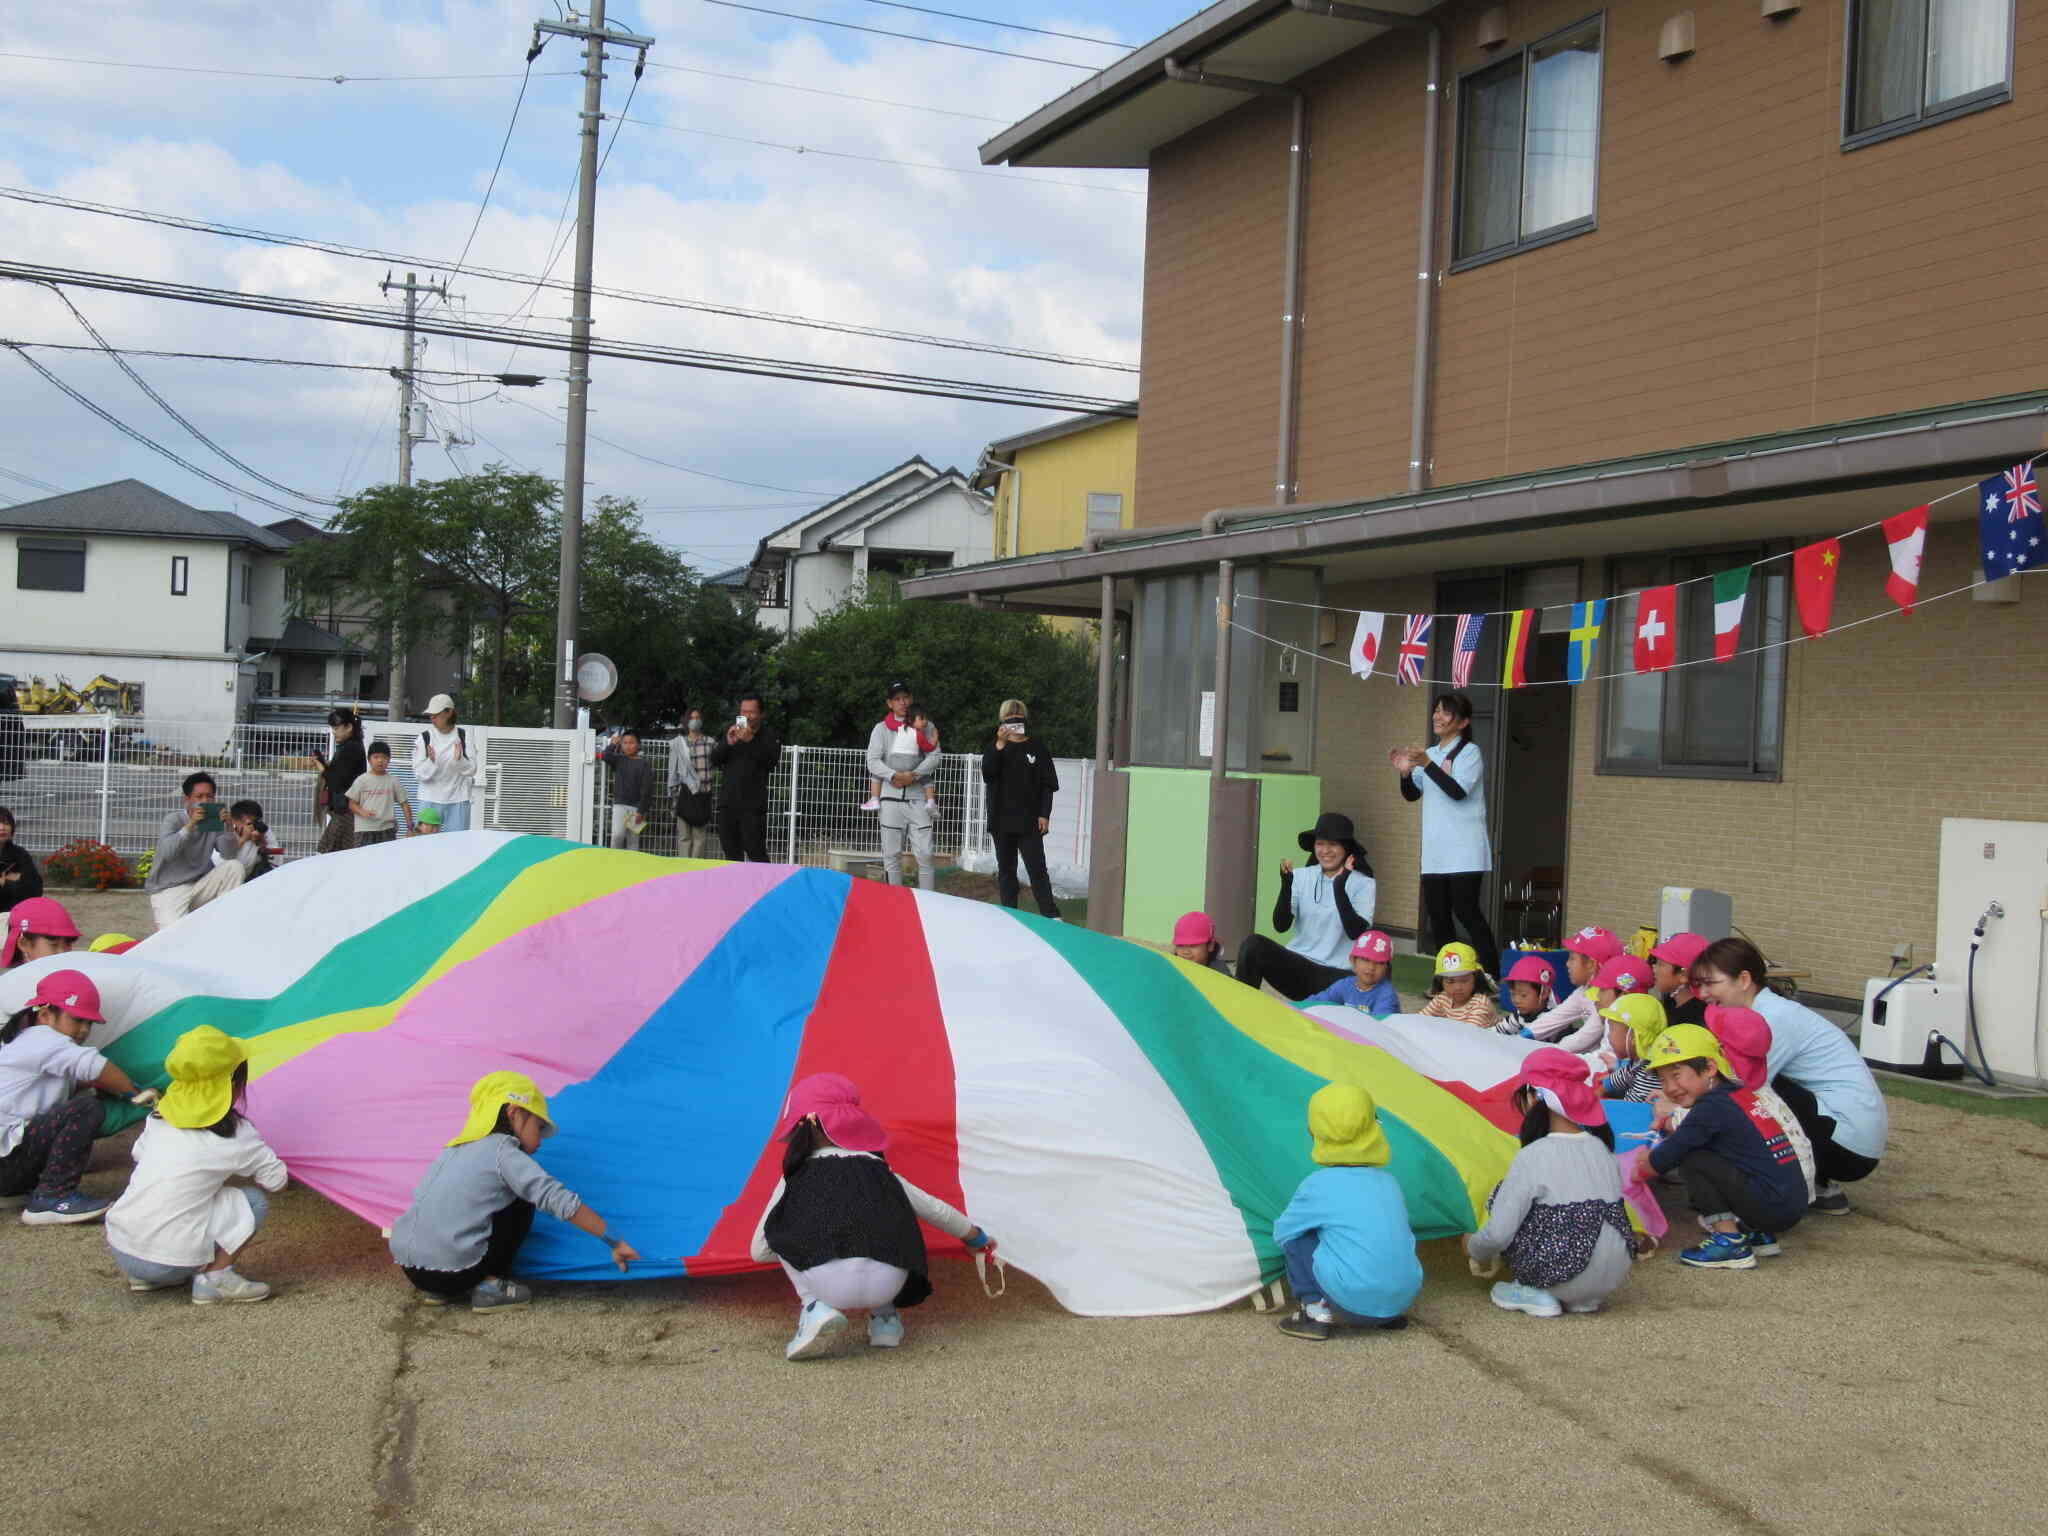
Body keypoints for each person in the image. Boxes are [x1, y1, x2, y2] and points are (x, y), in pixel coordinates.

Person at [751, 1073, 994, 1360]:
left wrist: (811, 1244)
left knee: (781, 1228)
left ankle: (814, 1306)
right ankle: (885, 1319)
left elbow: (760, 1250)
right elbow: (935, 1210)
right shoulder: (879, 1170)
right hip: (888, 1285)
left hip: (830, 1289)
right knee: (881, 1223)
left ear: (808, 1124)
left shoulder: (795, 1177)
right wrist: (976, 1238)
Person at [389, 1071, 639, 1311]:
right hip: (458, 1274)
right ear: (515, 1113)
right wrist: (615, 1241)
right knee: (523, 1198)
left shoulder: (451, 1151)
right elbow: (559, 1200)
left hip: (412, 1269)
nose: (541, 1138)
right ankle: (490, 1284)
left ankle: (440, 1292)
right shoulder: (503, 1153)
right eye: (539, 1126)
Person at [1691, 935, 1886, 1215]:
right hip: (1852, 1137)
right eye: (1699, 985)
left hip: (1848, 1148)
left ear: (1744, 980)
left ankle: (1770, 1193)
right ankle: (1820, 1187)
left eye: (1711, 983)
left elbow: (1740, 1090)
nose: (1704, 994)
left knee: (1744, 1092)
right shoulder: (1766, 1012)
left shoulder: (1770, 1019)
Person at [104, 1027, 288, 1304]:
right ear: (234, 1083)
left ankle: (148, 1277)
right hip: (165, 1262)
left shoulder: (159, 1117)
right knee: (252, 1201)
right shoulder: (237, 1134)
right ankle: (216, 1279)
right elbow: (276, 1180)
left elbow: (139, 1153)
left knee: (185, 1195)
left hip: (121, 1247)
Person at [1465, 1047, 1642, 1318]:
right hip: (1611, 1276)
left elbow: (1500, 1233)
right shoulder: (1602, 1150)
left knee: (1503, 1195)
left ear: (1535, 1096)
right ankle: (1581, 1299)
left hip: (1558, 1269)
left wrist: (1475, 1248)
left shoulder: (1533, 1155)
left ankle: (1535, 1290)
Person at [1632, 1023, 1809, 1270]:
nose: (1670, 1088)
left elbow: (1662, 1160)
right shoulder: (1738, 1093)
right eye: (1662, 1080)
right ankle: (1755, 1233)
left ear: (1710, 1068)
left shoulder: (1711, 1108)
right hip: (1790, 1200)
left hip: (1772, 1206)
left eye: (1677, 1075)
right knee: (1718, 1154)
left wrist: (1641, 1165)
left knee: (1692, 1157)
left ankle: (1730, 1241)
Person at [1272, 1082, 1422, 1340]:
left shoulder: (1317, 1186)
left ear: (1313, 1131)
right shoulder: (1389, 1182)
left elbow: (1282, 1233)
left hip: (1353, 1306)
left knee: (1298, 1237)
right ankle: (1386, 1314)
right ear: (1374, 1127)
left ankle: (1315, 1313)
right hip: (1402, 1300)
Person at [0, 971, 150, 1225]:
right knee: (85, 1108)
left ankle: (28, 1191)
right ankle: (51, 1196)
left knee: (86, 1102)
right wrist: (139, 1094)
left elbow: (83, 1078)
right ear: (46, 1014)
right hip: (6, 1163)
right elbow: (94, 1067)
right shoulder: (42, 1038)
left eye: (88, 1023)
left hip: (9, 1164)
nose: (83, 1030)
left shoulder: (32, 1043)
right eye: (77, 1020)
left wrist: (108, 1087)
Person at [1390, 691, 1500, 980]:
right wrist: (1404, 773)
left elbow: (1458, 791)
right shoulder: (1432, 753)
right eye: (1436, 710)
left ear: (1462, 722)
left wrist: (1426, 764)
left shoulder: (1470, 752)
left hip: (1465, 851)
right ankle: (1447, 979)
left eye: (1445, 712)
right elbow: (1412, 794)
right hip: (1435, 851)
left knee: (1467, 913)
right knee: (1438, 917)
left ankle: (1492, 975)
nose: (1437, 716)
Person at [1234, 812, 1374, 1000]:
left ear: (1346, 848)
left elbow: (1355, 932)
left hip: (1338, 975)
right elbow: (1280, 926)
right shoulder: (1301, 876)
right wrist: (1286, 886)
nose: (1325, 851)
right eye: (1320, 843)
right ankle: (1240, 1012)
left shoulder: (1364, 884)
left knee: (1368, 978)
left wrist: (1339, 886)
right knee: (1253, 945)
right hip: (1300, 968)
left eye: (1333, 844)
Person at [1701, 1004, 1817, 1204]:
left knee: (1699, 1155)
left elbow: (1687, 1129)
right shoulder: (1763, 1090)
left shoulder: (1728, 1096)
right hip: (1799, 1190)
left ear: (1721, 1050)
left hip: (1770, 1198)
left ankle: (1726, 1220)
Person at [144, 772, 260, 930]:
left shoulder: (214, 822)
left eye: (210, 796)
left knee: (234, 866)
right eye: (199, 797)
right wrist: (191, 825)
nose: (205, 801)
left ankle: (222, 923)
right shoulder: (174, 820)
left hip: (200, 883)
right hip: (169, 888)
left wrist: (227, 828)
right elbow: (168, 853)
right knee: (171, 938)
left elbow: (229, 854)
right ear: (187, 800)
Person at [981, 698, 1060, 919]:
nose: (1014, 724)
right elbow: (988, 773)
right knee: (1006, 871)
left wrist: (1045, 813)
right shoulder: (995, 748)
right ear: (1002, 722)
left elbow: (1048, 784)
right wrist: (999, 745)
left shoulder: (1037, 748)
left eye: (1018, 719)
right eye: (1009, 720)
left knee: (1037, 869)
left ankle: (1051, 914)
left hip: (1029, 820)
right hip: (1001, 819)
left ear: (1024, 720)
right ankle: (1009, 915)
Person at [865, 682, 941, 892]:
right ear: (889, 703)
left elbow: (935, 756)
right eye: (897, 699)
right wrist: (893, 775)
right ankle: (894, 903)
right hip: (890, 798)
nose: (902, 702)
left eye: (905, 697)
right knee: (891, 855)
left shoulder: (926, 725)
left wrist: (914, 775)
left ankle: (929, 902)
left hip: (918, 797)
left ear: (911, 698)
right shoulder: (880, 729)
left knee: (925, 853)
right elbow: (872, 760)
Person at [709, 693, 780, 863]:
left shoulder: (769, 736)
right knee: (731, 855)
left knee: (756, 853)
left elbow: (771, 762)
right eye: (743, 711)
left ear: (761, 714)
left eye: (751, 712)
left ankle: (765, 888)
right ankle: (737, 889)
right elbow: (715, 759)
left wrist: (751, 740)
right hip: (728, 804)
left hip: (753, 807)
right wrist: (728, 743)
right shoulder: (733, 731)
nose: (747, 716)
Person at [1524, 925, 1622, 1048]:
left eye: (1572, 959)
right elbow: (1556, 1017)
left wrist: (1554, 1051)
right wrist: (1525, 1034)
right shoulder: (1584, 990)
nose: (1567, 964)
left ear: (1591, 964)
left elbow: (1584, 1038)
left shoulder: (1607, 999)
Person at [412, 693, 477, 834]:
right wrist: (431, 762)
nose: (432, 718)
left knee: (457, 846)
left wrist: (459, 761)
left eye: (436, 714)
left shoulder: (464, 736)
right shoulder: (424, 738)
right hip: (429, 799)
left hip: (458, 799)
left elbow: (472, 770)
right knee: (424, 845)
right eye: (431, 715)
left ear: (449, 712)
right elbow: (419, 774)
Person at [1303, 930, 1401, 1016]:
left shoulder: (1386, 995)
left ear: (1386, 968)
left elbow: (1379, 1027)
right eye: (1365, 959)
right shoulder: (1345, 985)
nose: (1371, 967)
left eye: (1379, 963)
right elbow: (1317, 1002)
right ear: (1353, 961)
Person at [1597, 993, 1669, 1103]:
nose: (1608, 1035)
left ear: (1634, 1037)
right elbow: (1626, 1074)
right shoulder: (1640, 1059)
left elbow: (1629, 1108)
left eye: (1612, 1029)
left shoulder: (1649, 1074)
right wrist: (1606, 1085)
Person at [316, 708, 367, 855]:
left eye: (337, 728)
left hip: (346, 811)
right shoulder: (351, 746)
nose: (334, 731)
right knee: (339, 853)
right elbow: (339, 775)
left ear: (349, 727)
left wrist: (322, 768)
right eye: (333, 728)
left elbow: (337, 782)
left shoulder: (350, 748)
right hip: (346, 809)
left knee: (330, 852)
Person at [668, 708, 716, 859]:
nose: (695, 721)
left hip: (703, 793)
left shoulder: (710, 742)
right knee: (684, 836)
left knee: (699, 837)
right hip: (685, 793)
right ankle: (683, 868)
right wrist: (673, 793)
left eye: (698, 717)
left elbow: (716, 764)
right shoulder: (678, 744)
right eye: (692, 718)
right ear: (686, 721)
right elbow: (674, 771)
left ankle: (695, 869)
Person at [1419, 941, 1498, 1029]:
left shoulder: (1480, 1004)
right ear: (1441, 981)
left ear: (1476, 978)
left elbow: (1467, 1036)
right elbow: (1418, 1020)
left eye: (1464, 981)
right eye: (1450, 982)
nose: (1458, 987)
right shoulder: (1442, 998)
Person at [347, 743, 412, 846]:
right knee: (363, 860)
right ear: (369, 759)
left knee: (386, 861)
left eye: (384, 757)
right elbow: (351, 803)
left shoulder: (393, 781)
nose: (380, 760)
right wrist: (362, 811)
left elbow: (404, 804)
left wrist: (410, 828)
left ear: (389, 760)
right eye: (376, 757)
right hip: (364, 830)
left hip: (387, 830)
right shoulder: (361, 780)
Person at [599, 730, 651, 851]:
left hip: (636, 807)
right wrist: (613, 744)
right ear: (621, 745)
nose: (628, 745)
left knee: (633, 841)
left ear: (638, 744)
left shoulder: (644, 764)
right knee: (617, 836)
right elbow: (605, 756)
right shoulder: (619, 760)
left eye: (631, 742)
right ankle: (614, 863)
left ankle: (632, 868)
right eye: (625, 743)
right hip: (620, 805)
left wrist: (641, 810)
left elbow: (647, 789)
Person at [1650, 932, 1710, 1027]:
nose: (1654, 968)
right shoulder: (1670, 1002)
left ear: (1683, 975)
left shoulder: (1697, 1020)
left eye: (1661, 964)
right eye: (1655, 962)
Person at [3, 895, 79, 969]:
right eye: (54, 945)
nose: (62, 953)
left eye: (68, 944)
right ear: (24, 944)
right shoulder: (11, 981)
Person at [0, 806, 44, 913]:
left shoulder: (20, 854)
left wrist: (6, 883)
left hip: (13, 915)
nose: (2, 827)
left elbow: (35, 890)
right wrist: (14, 880)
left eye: (6, 823)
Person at [1501, 954, 1559, 1034]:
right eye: (1513, 994)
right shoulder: (1518, 1016)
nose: (1516, 1001)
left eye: (1523, 995)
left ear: (1544, 993)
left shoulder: (1553, 1021)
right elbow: (1497, 1031)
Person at [226, 801, 278, 880]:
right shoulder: (226, 831)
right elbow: (227, 855)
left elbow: (276, 860)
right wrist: (243, 838)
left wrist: (261, 842)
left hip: (254, 876)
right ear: (233, 820)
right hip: (230, 877)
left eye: (253, 822)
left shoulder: (261, 830)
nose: (249, 826)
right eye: (244, 822)